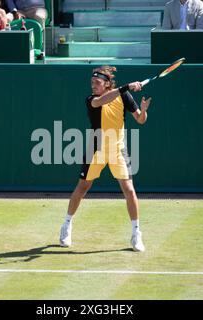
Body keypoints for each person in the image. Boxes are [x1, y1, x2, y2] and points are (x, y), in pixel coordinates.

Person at [59, 66, 152, 252]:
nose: (93, 86)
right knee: (83, 187)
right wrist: (127, 86)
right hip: (96, 150)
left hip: (118, 150)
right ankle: (66, 226)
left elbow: (140, 120)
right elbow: (103, 100)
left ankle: (136, 234)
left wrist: (143, 111)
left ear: (107, 83)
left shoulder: (124, 96)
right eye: (92, 83)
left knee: (129, 189)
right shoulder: (92, 100)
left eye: (97, 83)